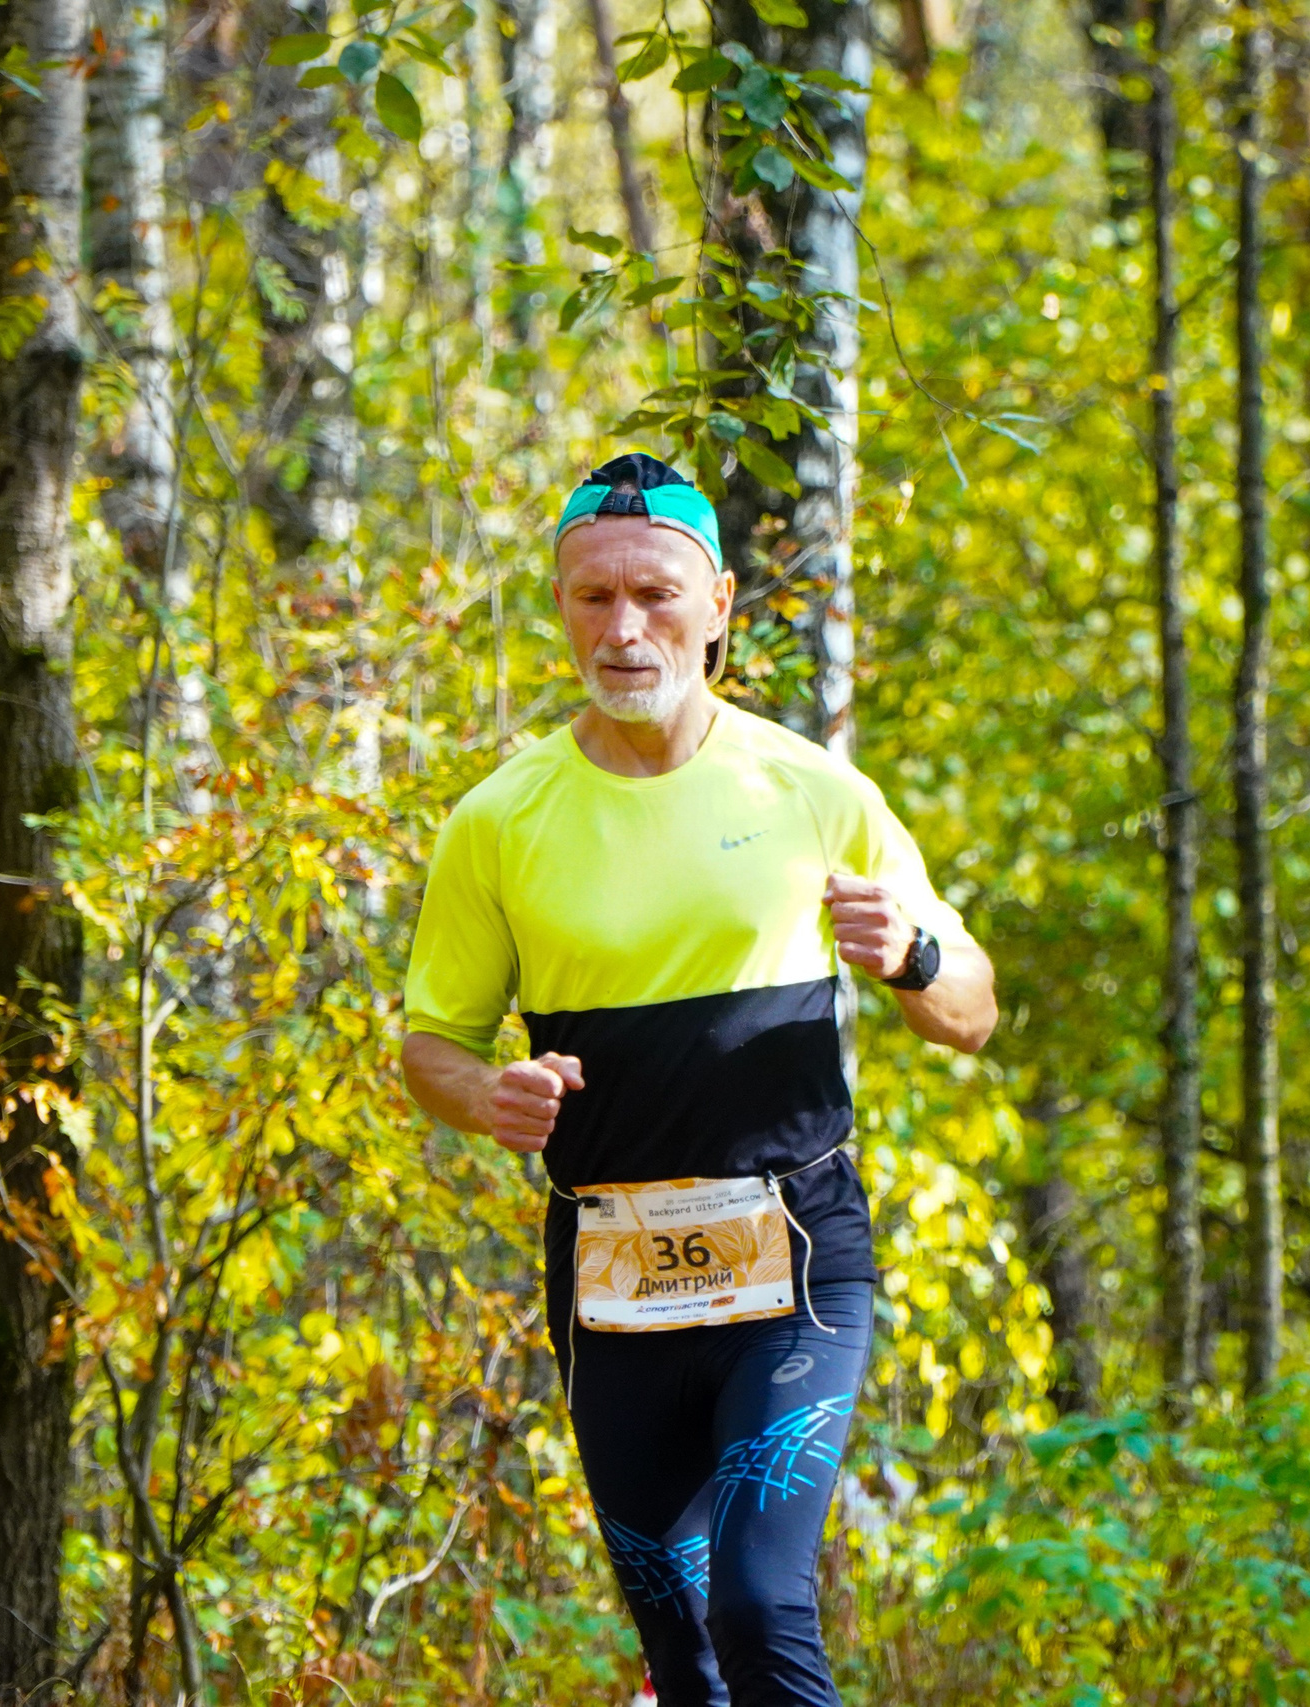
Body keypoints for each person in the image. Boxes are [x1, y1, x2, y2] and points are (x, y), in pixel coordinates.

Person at [398, 451, 997, 1706]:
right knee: (683, 1649)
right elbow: (432, 1046)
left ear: (718, 603)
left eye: (657, 596)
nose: (625, 629)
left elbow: (972, 1014)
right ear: (558, 605)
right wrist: (484, 1096)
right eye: (593, 598)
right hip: (609, 1272)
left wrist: (915, 953)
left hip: (790, 1255)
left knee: (760, 1598)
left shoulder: (810, 786)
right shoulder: (498, 822)